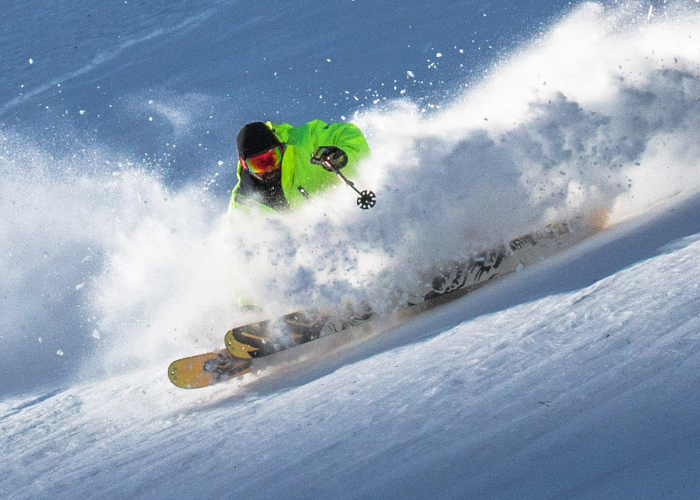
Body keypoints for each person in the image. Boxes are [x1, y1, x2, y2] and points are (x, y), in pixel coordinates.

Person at [229, 120, 371, 214]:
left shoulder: (307, 140)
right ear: (244, 165)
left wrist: (343, 155)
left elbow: (349, 134)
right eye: (257, 164)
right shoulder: (243, 201)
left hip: (351, 217)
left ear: (281, 148)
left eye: (272, 158)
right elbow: (236, 246)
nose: (268, 168)